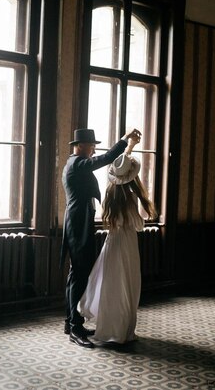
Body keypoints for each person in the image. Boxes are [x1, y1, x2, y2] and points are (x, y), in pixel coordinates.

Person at [61, 127, 141, 348]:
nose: (94, 148)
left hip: (79, 224)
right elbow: (106, 159)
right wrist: (125, 140)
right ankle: (75, 329)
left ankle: (71, 322)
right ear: (80, 146)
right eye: (91, 144)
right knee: (78, 275)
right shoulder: (77, 163)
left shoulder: (75, 163)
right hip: (78, 226)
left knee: (76, 275)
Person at [77, 134, 157, 345]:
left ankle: (109, 326)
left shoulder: (110, 195)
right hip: (127, 245)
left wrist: (129, 146)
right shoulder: (130, 198)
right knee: (127, 285)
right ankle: (123, 331)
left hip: (111, 244)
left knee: (110, 285)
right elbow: (138, 225)